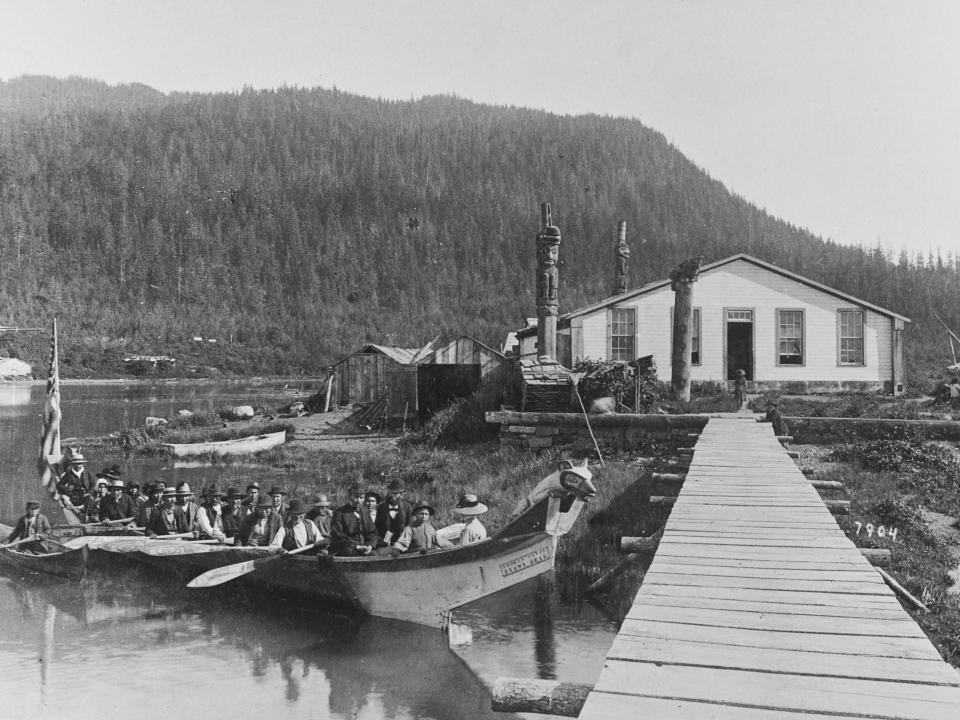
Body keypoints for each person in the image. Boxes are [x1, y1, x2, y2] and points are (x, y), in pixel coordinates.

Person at [330, 486, 380, 556]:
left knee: (374, 555)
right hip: (348, 548)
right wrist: (356, 546)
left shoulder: (365, 511)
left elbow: (373, 533)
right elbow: (338, 537)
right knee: (352, 554)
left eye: (361, 498)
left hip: (365, 547)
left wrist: (370, 545)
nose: (359, 501)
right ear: (350, 496)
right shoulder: (339, 513)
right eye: (356, 497)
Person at [376, 483, 412, 548]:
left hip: (402, 543)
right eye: (391, 493)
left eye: (395, 494)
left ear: (401, 495)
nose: (392, 496)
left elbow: (409, 527)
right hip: (385, 544)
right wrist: (382, 540)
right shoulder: (381, 507)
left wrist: (402, 542)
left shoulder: (407, 507)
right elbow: (377, 527)